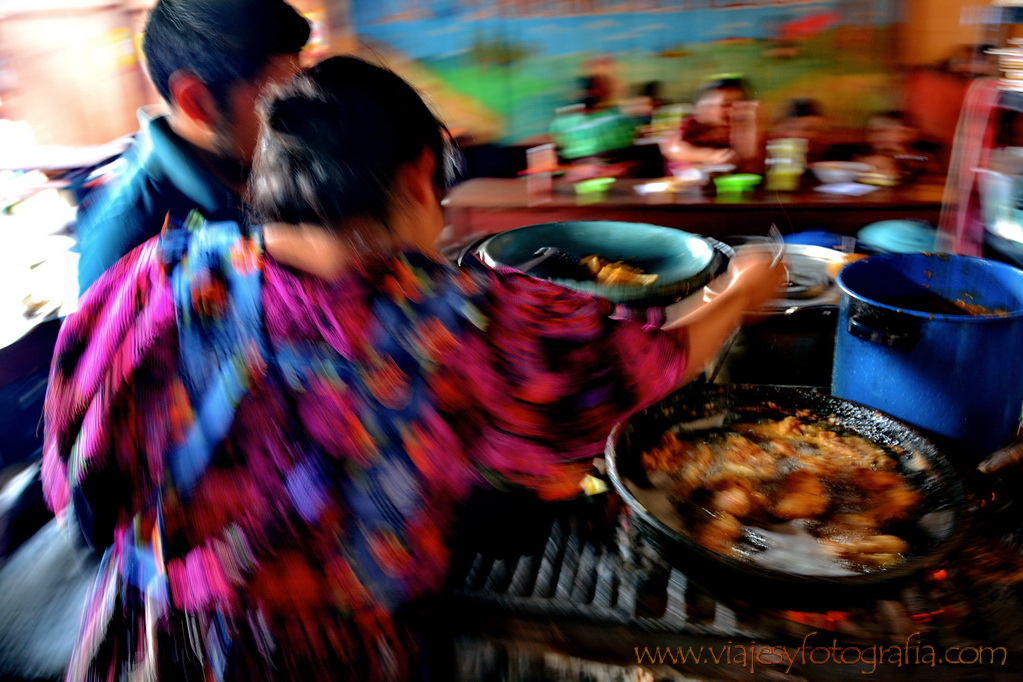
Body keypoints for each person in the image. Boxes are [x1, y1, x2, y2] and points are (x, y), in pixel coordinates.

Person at [42, 56, 785, 681]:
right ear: (418, 173)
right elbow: (629, 371)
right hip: (325, 663)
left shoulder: (151, 276)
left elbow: (76, 483)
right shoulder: (442, 316)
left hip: (140, 646)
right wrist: (737, 289)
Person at [73, 0, 310, 293]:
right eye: (278, 104)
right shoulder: (121, 255)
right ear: (196, 102)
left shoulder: (267, 158)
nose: (299, 123)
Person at [662, 76, 759, 170]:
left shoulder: (740, 124)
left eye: (738, 104)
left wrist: (749, 126)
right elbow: (674, 149)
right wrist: (712, 155)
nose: (731, 109)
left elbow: (750, 158)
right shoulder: (692, 123)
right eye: (725, 104)